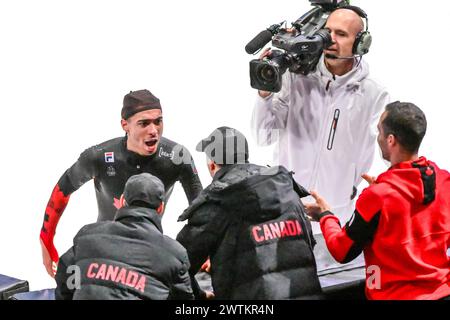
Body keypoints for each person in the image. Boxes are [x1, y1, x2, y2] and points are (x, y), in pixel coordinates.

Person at [251, 5, 390, 230]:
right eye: (328, 31)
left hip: (336, 219)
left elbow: (391, 155)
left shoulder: (374, 95)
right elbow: (263, 136)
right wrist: (264, 95)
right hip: (287, 213)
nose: (329, 40)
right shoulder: (294, 79)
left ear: (360, 43)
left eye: (341, 34)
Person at [40, 89, 203, 277]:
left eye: (158, 122)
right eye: (144, 123)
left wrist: (204, 252)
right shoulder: (98, 157)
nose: (153, 131)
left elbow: (201, 208)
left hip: (149, 251)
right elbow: (62, 191)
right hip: (104, 252)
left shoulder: (177, 157)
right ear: (125, 125)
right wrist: (46, 241)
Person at [305, 102, 450, 300]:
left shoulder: (376, 197)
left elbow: (341, 250)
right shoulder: (444, 181)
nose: (377, 137)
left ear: (390, 140)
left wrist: (325, 215)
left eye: (379, 131)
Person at [177, 126, 323, 299]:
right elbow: (308, 244)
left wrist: (200, 294)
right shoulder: (285, 186)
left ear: (212, 164)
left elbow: (177, 267)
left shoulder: (216, 200)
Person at [55, 173, 194, 300]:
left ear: (122, 201)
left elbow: (64, 278)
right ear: (160, 208)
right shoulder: (174, 254)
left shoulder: (87, 236)